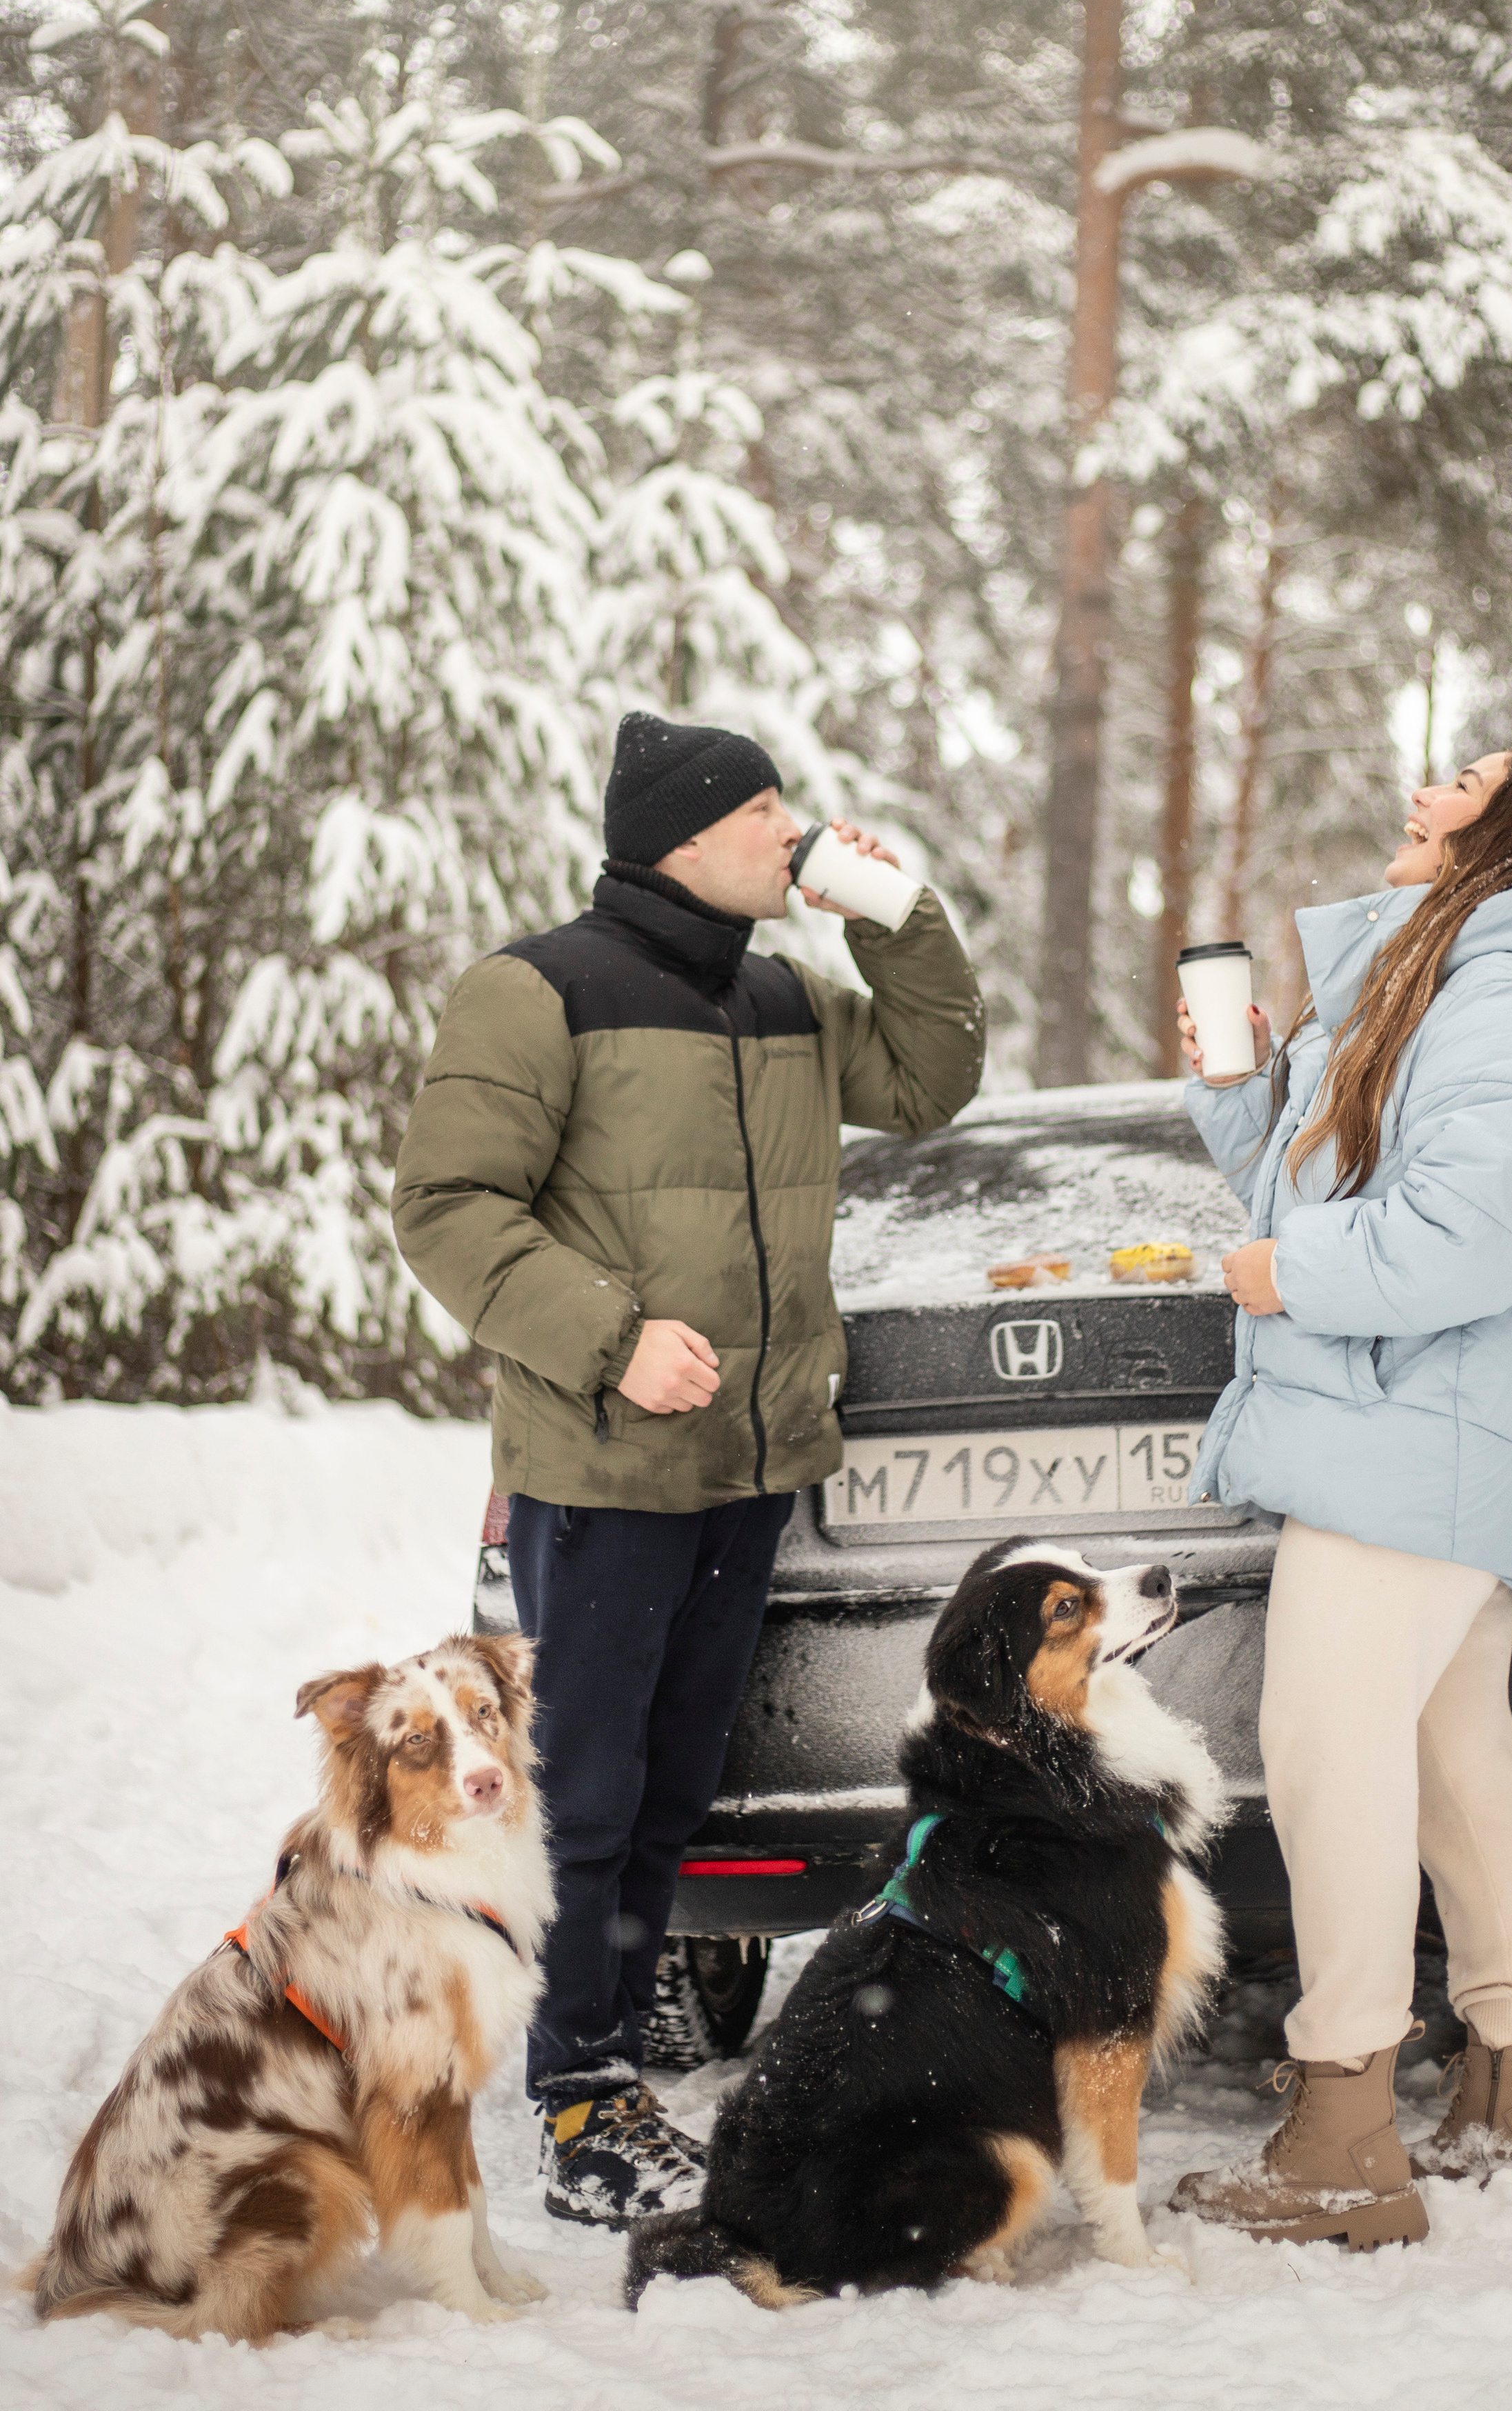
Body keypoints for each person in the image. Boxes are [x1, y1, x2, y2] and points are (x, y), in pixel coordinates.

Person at [392, 712, 985, 2227]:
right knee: (586, 1798)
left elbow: (929, 1080)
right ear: (682, 837)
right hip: (601, 1464)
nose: (792, 833)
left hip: (748, 1463)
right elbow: (449, 1209)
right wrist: (609, 1336)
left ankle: (610, 2076)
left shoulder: (783, 996)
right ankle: (579, 2100)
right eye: (765, 811)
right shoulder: (537, 991)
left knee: (668, 1797)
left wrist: (901, 919)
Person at [1167, 749, 1512, 2251]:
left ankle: (1341, 2127)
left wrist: (1277, 1277)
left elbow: (1455, 1242)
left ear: (1510, 838)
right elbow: (1318, 1184)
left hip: (1421, 1424)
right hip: (1430, 1426)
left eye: (1457, 782)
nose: (1417, 791)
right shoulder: (1448, 987)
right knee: (1449, 1754)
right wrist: (1238, 1085)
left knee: (1327, 1749)